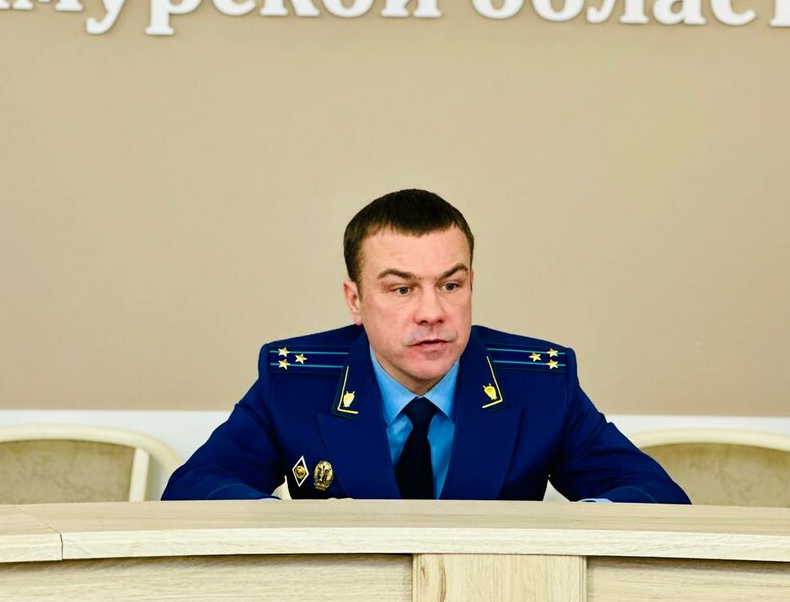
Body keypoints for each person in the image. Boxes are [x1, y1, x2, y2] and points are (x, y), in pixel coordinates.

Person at [163, 189, 689, 504]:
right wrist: (295, 528)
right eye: (402, 289)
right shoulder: (296, 382)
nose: (432, 312)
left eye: (451, 285)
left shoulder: (540, 384)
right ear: (355, 299)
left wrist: (567, 530)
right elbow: (197, 487)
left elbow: (653, 494)